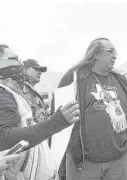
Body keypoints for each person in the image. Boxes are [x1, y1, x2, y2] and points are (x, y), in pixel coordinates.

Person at [57, 38, 127, 180]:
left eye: (115, 52)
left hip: (119, 160)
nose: (115, 56)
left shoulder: (120, 80)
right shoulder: (74, 77)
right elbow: (59, 115)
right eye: (110, 51)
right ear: (96, 54)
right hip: (84, 163)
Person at [0, 44, 80, 180]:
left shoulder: (11, 92)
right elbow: (4, 137)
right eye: (14, 59)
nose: (20, 65)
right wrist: (57, 122)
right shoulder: (3, 92)